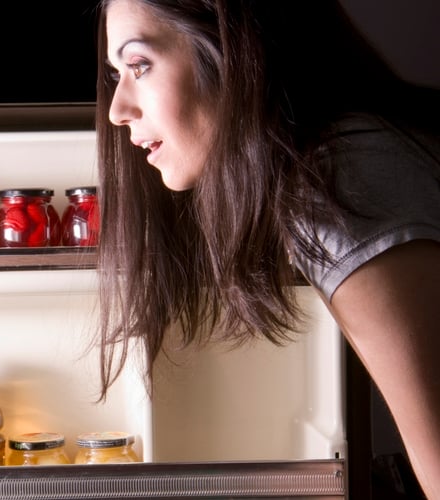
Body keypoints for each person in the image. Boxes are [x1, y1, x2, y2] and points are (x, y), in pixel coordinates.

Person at [92, 0, 440, 496]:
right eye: (116, 74)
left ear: (231, 52)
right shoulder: (344, 155)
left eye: (139, 66)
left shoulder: (339, 184)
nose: (118, 109)